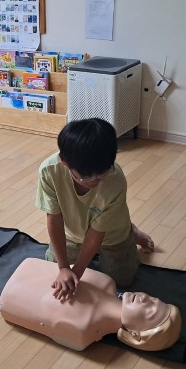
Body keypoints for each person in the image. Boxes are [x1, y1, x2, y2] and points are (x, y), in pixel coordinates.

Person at [36, 118, 154, 301]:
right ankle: (128, 226)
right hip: (73, 232)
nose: (94, 182)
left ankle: (130, 231)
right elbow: (54, 218)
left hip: (111, 234)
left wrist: (77, 272)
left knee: (123, 281)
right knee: (52, 267)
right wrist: (64, 268)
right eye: (85, 178)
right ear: (65, 163)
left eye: (101, 176)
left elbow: (96, 234)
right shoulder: (49, 171)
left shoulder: (115, 180)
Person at [0, 258, 181, 352]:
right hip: (25, 274)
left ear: (135, 334)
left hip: (11, 295)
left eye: (149, 312)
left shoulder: (83, 328)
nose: (145, 299)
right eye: (153, 299)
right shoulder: (106, 282)